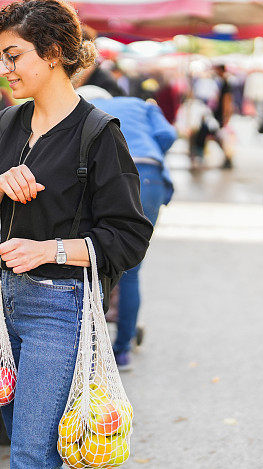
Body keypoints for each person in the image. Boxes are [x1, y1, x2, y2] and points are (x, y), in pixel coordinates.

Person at [0, 0, 153, 467]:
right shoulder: (7, 124)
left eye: (14, 55)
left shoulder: (98, 133)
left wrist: (50, 250)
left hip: (57, 309)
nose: (3, 68)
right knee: (24, 446)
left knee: (31, 455)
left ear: (51, 53)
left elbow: (129, 238)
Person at [78, 85, 176, 370]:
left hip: (117, 177)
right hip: (152, 177)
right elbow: (168, 134)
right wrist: (151, 153)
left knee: (95, 260)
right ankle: (122, 351)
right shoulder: (141, 104)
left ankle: (90, 349)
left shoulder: (86, 112)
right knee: (131, 269)